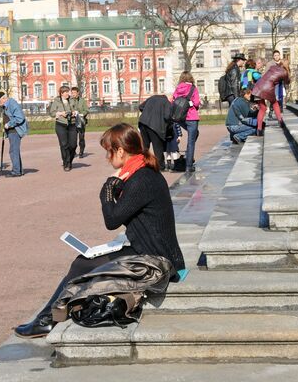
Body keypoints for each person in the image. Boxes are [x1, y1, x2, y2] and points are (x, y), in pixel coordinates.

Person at [13, 123, 185, 338]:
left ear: (120, 151)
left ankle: (47, 320)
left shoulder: (141, 179)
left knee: (82, 264)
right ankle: (48, 317)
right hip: (152, 250)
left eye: (109, 152)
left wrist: (107, 189)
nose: (107, 157)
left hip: (156, 260)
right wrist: (116, 186)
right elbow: (129, 205)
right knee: (86, 261)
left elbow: (112, 219)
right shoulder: (143, 172)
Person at [172, 71, 201, 175]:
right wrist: (191, 103)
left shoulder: (177, 88)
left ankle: (187, 157)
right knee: (191, 141)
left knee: (194, 135)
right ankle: (188, 166)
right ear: (191, 78)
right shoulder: (193, 88)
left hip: (180, 118)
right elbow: (197, 103)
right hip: (192, 117)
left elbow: (174, 101)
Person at [252, 58, 292, 134]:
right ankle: (280, 121)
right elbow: (287, 82)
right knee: (274, 103)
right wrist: (289, 72)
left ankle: (259, 129)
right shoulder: (284, 72)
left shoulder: (272, 67)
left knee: (262, 108)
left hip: (258, 86)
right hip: (268, 88)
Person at [0, 91, 28, 177]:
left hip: (15, 131)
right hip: (11, 131)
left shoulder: (12, 104)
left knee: (13, 151)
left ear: (4, 98)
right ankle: (19, 170)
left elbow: (20, 118)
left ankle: (16, 171)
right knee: (14, 150)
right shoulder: (6, 105)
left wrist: (9, 124)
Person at [49, 86, 78, 171]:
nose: (67, 94)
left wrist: (74, 113)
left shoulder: (72, 100)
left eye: (68, 92)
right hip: (61, 125)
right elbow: (52, 113)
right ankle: (66, 163)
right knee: (64, 145)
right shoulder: (56, 101)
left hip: (72, 124)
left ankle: (70, 160)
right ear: (61, 93)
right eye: (65, 92)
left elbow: (77, 110)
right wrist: (61, 113)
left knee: (73, 145)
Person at [138, 94, 171, 167]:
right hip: (156, 127)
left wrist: (148, 112)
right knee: (157, 147)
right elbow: (167, 116)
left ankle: (141, 163)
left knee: (144, 146)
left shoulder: (151, 98)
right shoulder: (166, 102)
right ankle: (160, 166)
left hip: (143, 123)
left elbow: (140, 107)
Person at [71, 87, 88, 158]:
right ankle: (73, 151)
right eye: (72, 93)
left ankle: (81, 151)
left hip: (81, 121)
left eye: (74, 93)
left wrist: (82, 114)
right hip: (72, 122)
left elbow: (86, 110)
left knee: (81, 138)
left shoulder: (82, 100)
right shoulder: (69, 100)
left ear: (78, 93)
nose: (73, 94)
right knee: (72, 139)